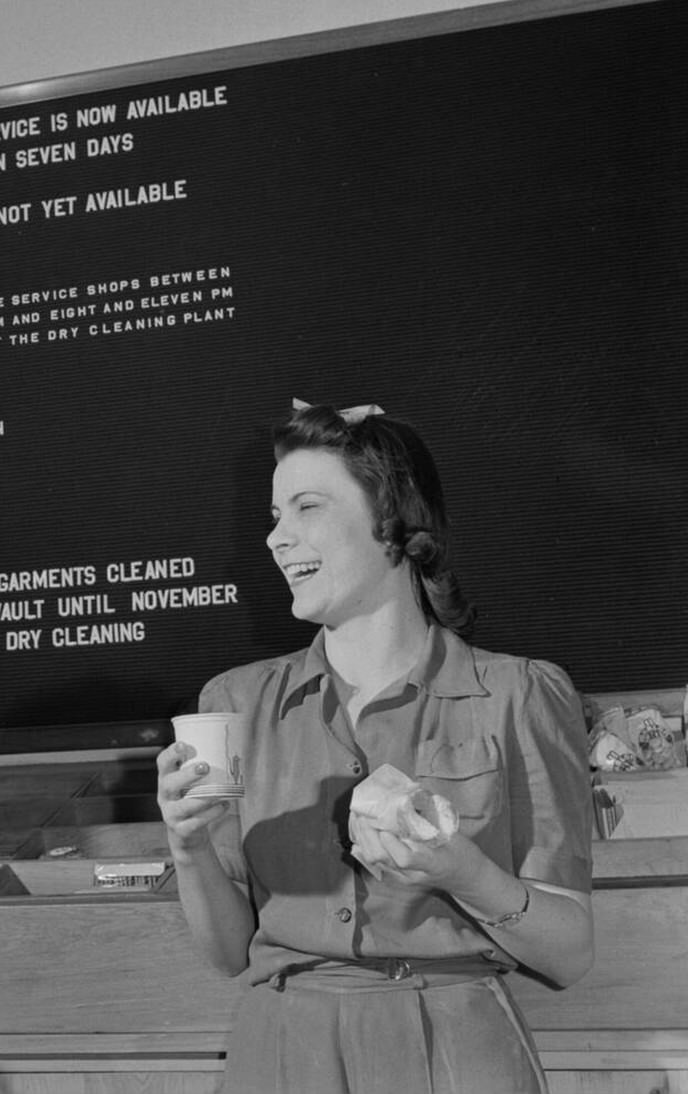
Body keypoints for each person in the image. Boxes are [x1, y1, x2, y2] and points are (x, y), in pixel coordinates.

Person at [157, 401, 593, 1094]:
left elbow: (569, 954)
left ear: (393, 519)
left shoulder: (520, 695)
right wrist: (188, 849)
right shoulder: (234, 704)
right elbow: (230, 952)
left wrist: (463, 872)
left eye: (307, 507)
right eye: (274, 516)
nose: (276, 539)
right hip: (283, 1055)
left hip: (459, 1051)